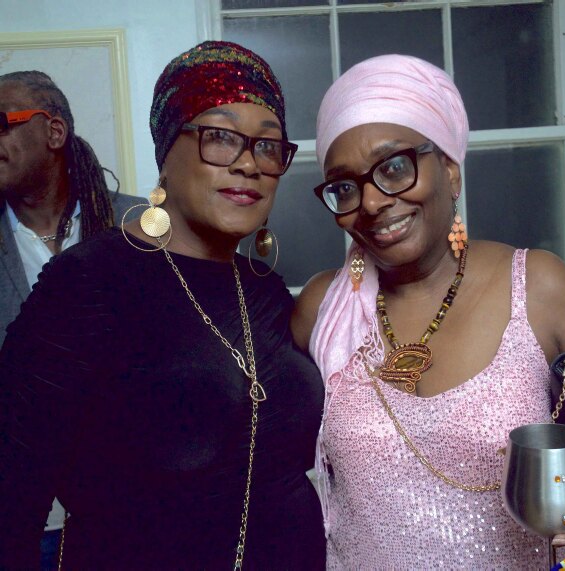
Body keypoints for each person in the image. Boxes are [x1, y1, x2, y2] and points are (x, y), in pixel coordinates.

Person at [291, 54, 565, 569]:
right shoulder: (323, 310)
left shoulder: (536, 286)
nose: (372, 202)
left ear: (449, 170)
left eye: (394, 167)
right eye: (345, 186)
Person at [0, 42, 325, 569]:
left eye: (267, 146)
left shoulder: (264, 289)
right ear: (167, 151)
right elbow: (12, 501)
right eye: (220, 137)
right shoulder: (88, 283)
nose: (249, 164)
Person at [0, 70, 145, 568]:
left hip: (133, 516)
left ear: (54, 131)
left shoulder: (141, 229)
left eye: (2, 123)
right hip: (20, 524)